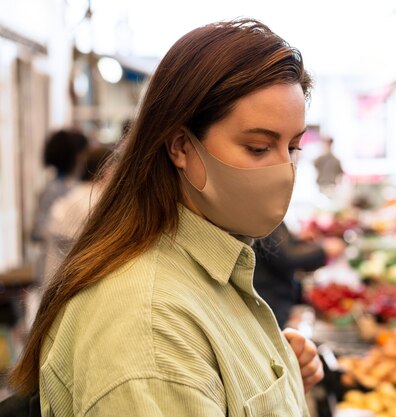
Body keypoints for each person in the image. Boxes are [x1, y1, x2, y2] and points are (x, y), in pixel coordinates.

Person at [9, 19, 323, 416]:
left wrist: (276, 371)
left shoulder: (210, 264)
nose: (284, 170)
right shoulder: (147, 330)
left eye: (293, 147)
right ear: (180, 147)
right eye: (259, 147)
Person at [43, 146, 113, 285]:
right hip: (80, 288)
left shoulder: (72, 196)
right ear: (105, 171)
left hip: (55, 285)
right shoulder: (97, 202)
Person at [254, 222, 345, 328]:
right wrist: (323, 249)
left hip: (271, 296)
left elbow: (278, 248)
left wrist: (299, 241)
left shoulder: (264, 215)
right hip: (270, 297)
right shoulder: (265, 214)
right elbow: (286, 256)